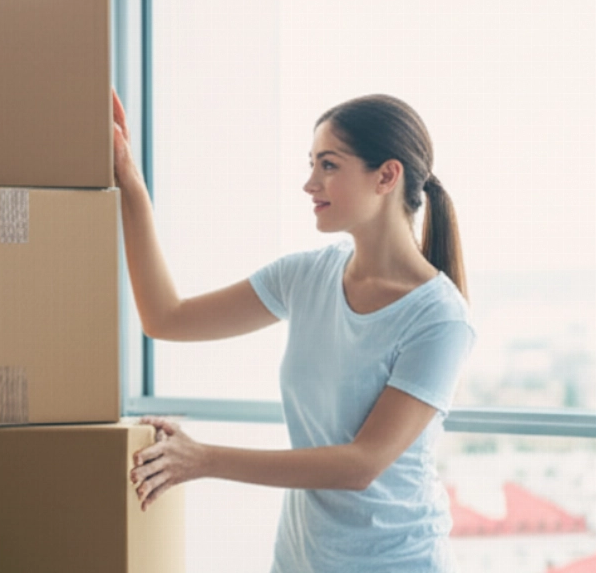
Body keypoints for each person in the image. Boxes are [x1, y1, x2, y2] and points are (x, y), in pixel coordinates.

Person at [113, 89, 476, 573]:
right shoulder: (305, 278)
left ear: (387, 176)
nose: (310, 183)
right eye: (312, 163)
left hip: (396, 561)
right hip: (301, 559)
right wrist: (129, 181)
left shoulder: (439, 317)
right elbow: (166, 319)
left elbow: (360, 465)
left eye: (328, 165)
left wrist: (201, 459)